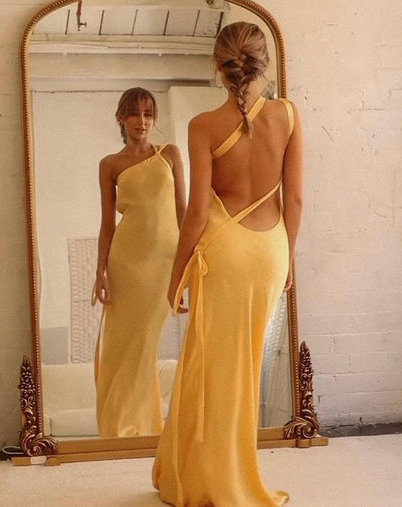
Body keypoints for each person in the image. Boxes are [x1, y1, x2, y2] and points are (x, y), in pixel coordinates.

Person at [152, 21, 303, 506]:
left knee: (212, 369)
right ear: (263, 63)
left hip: (225, 254)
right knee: (244, 368)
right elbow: (295, 199)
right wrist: (289, 258)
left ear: (218, 66)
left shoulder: (203, 125)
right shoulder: (288, 115)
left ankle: (210, 479)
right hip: (270, 251)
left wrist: (176, 276)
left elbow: (197, 213)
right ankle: (228, 472)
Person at [94, 87, 186, 438]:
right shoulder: (110, 165)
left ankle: (141, 426)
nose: (142, 121)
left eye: (148, 114)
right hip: (126, 264)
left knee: (146, 342)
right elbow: (107, 224)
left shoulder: (170, 154)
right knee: (122, 345)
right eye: (134, 113)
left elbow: (183, 212)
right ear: (122, 117)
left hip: (164, 262)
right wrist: (100, 272)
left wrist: (188, 266)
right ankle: (117, 429)